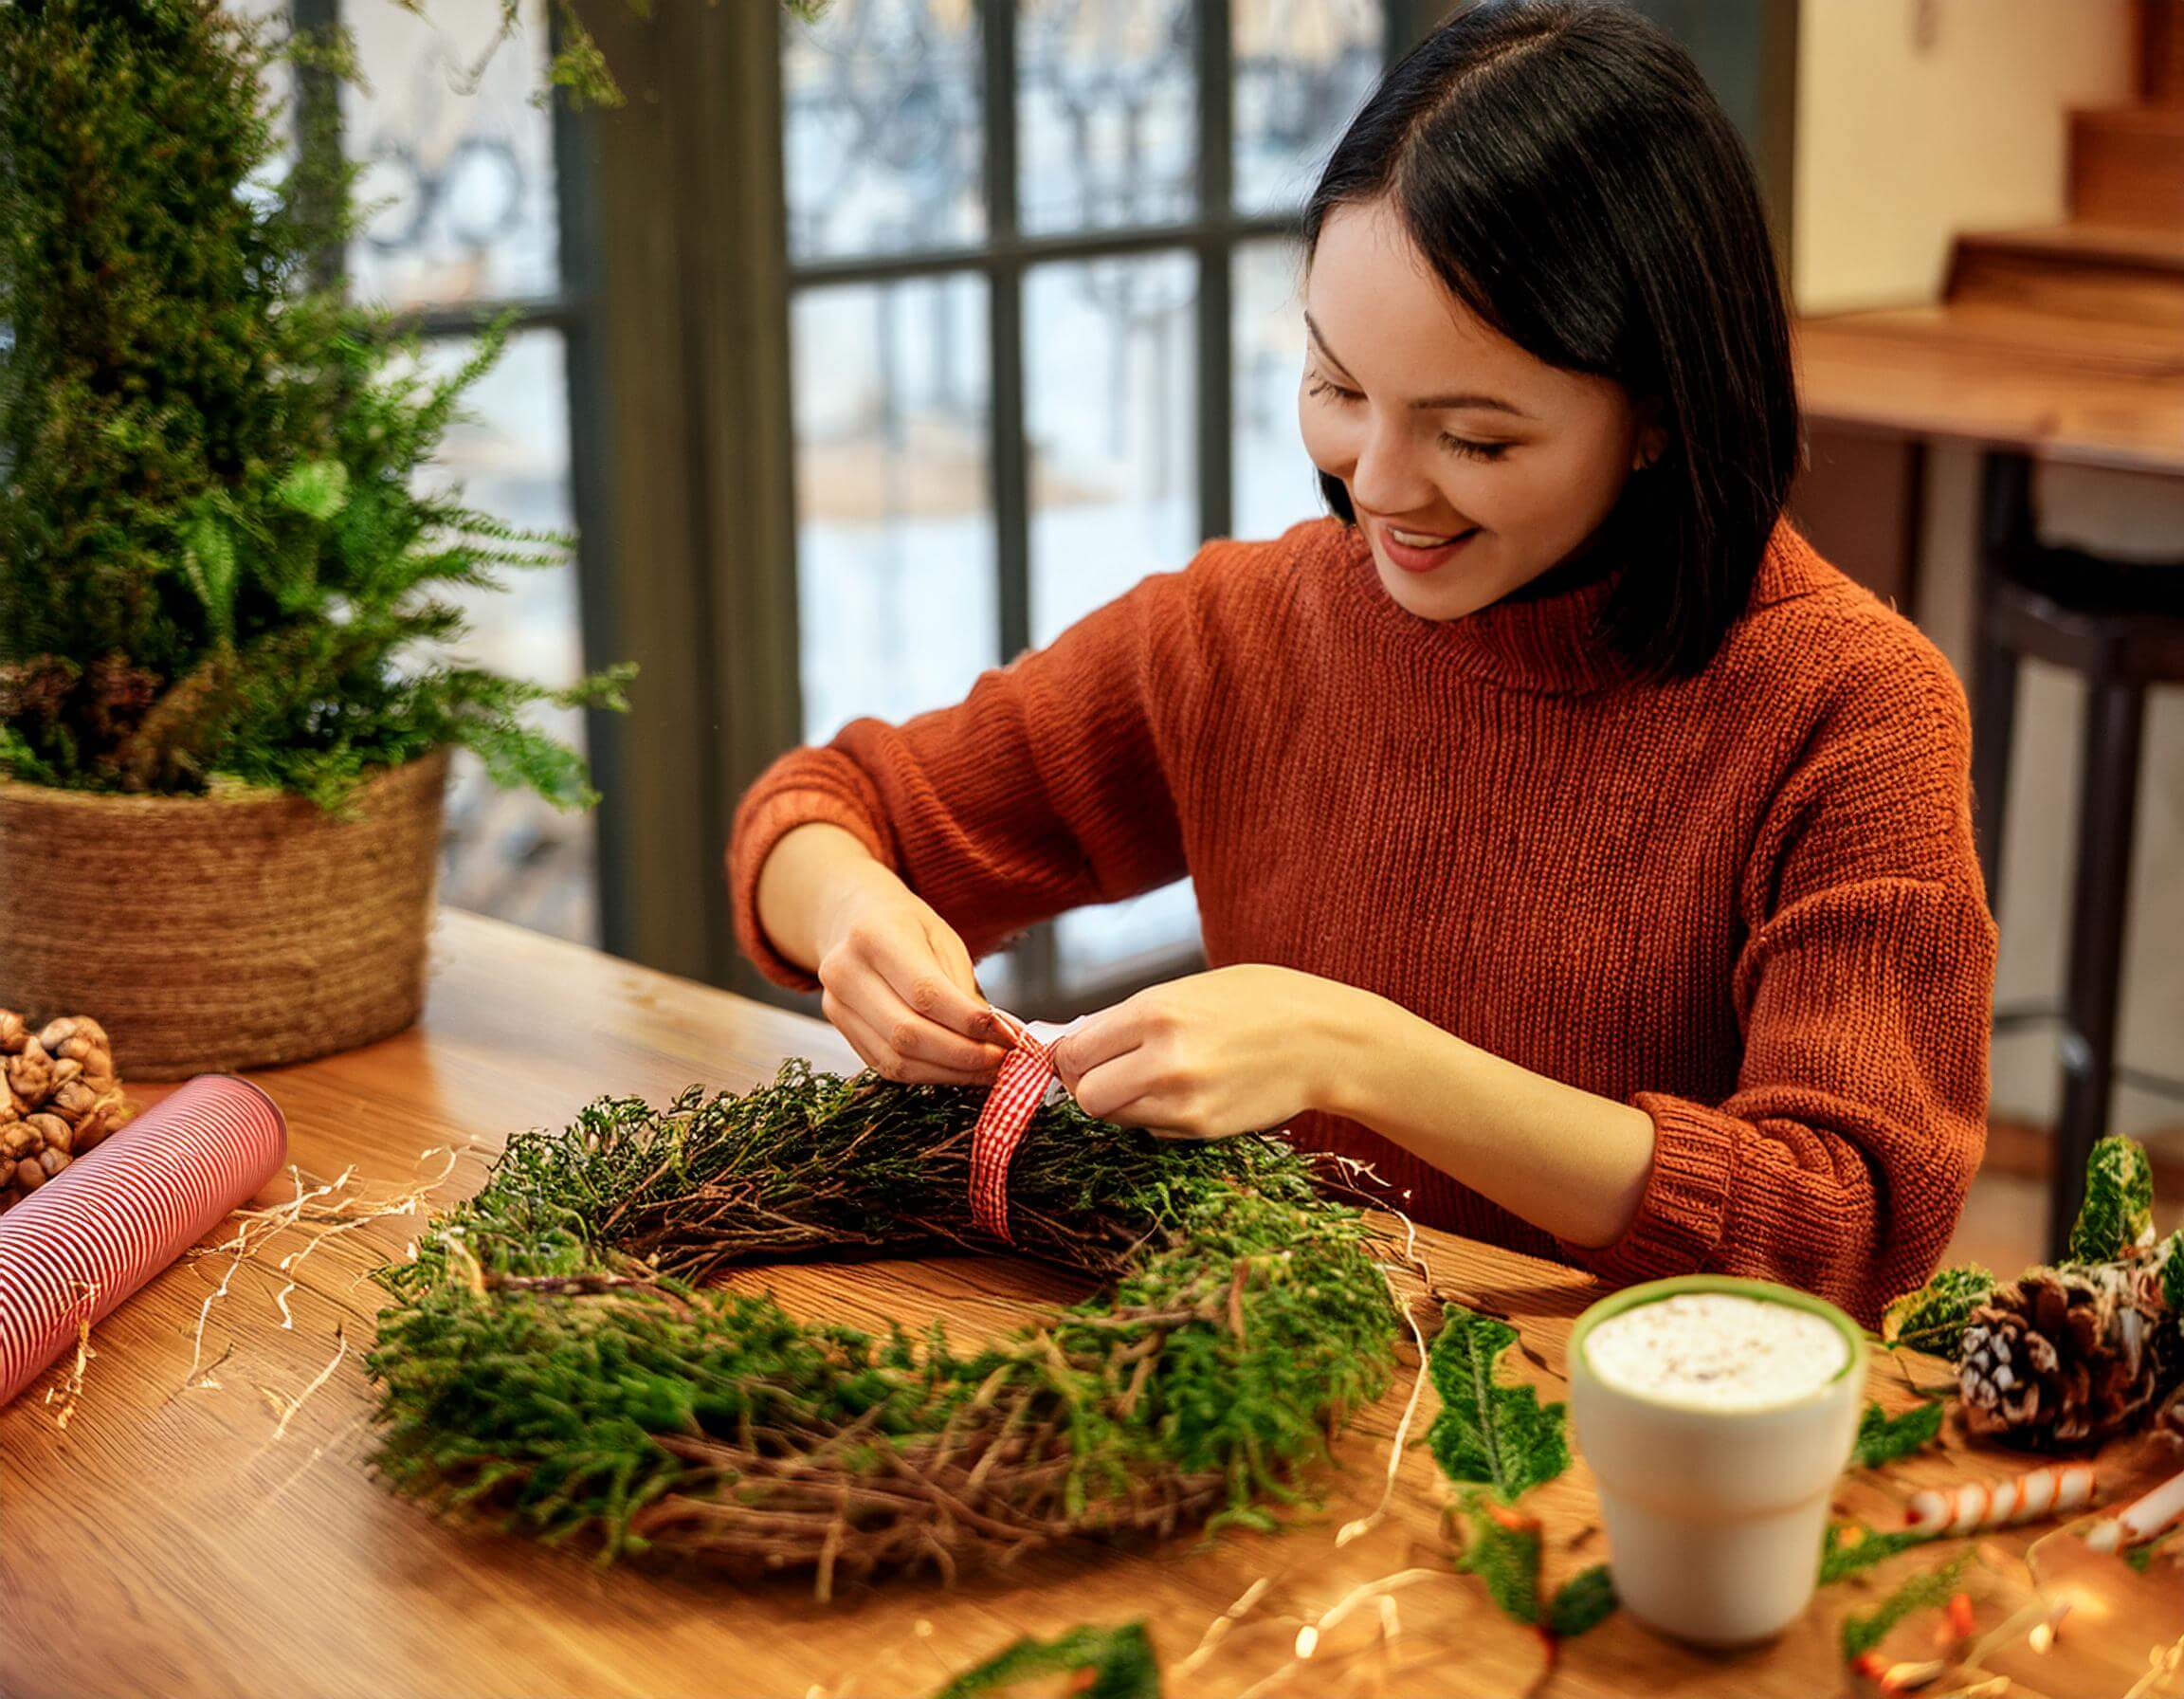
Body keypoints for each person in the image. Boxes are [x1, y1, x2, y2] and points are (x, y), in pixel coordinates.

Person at [727, 0, 1996, 1326]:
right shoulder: (1248, 630)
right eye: (1337, 389)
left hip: (1607, 1441)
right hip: (1275, 1386)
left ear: (1660, 419)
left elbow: (1843, 1222)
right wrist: (854, 919)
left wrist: (1361, 1053)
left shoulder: (1846, 709)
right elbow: (822, 812)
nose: (1379, 487)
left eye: (1476, 439)